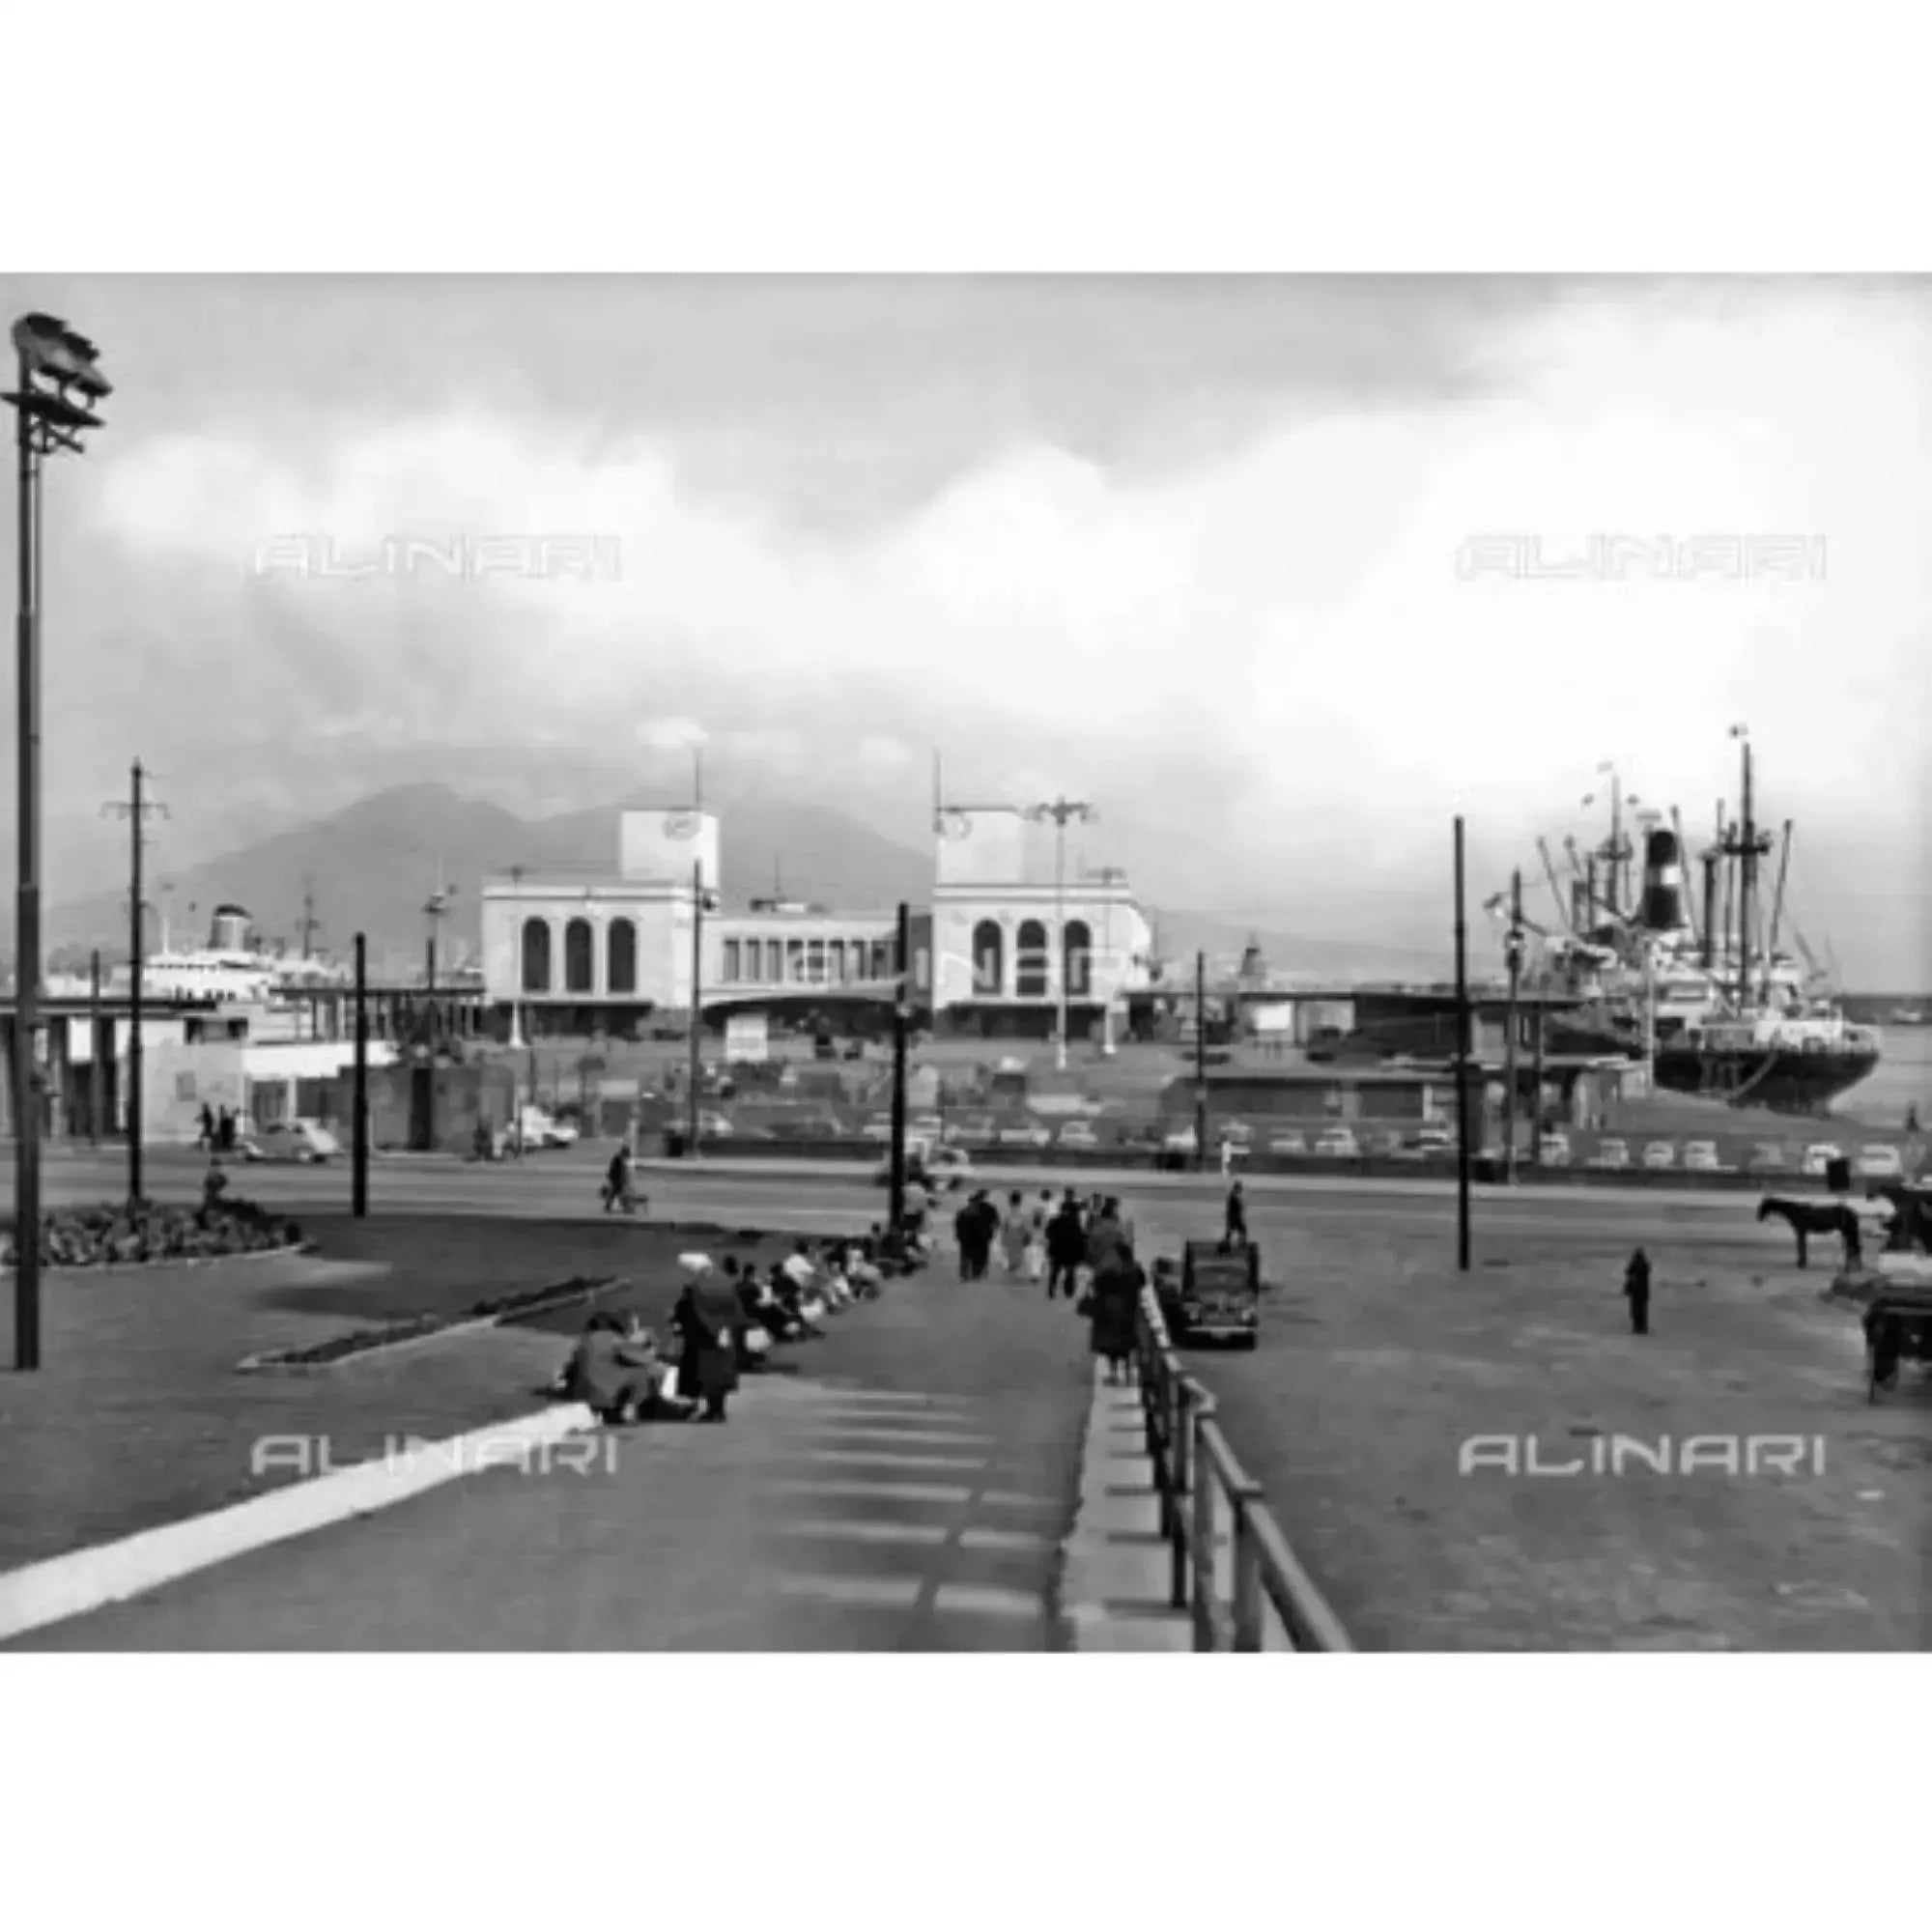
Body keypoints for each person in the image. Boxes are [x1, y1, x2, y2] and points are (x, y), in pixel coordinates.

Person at [671, 1256, 742, 1422]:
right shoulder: (723, 1285)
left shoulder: (700, 1291)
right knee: (721, 1375)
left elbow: (698, 1316)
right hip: (723, 1333)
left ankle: (713, 1411)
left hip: (708, 1338)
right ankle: (718, 1410)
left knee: (711, 1375)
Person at [1088, 1240, 1145, 1384]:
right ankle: (1126, 1375)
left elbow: (1098, 1285)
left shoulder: (1110, 1270)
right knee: (1126, 1345)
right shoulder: (1134, 1271)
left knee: (1111, 1346)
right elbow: (1142, 1283)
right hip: (1129, 1312)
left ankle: (1114, 1374)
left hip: (1110, 1312)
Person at [1046, 1194, 1086, 1300]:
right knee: (1070, 1272)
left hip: (1057, 1251)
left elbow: (1049, 1234)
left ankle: (1052, 1291)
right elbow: (1080, 1240)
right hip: (1070, 1254)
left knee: (1055, 1272)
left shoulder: (1055, 1221)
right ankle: (1069, 1292)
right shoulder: (1075, 1224)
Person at [601, 1144, 639, 1215]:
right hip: (616, 1179)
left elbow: (618, 1171)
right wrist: (623, 1180)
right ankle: (626, 1207)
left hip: (615, 1179)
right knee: (618, 1192)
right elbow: (620, 1172)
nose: (627, 1157)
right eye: (626, 1154)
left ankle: (625, 1207)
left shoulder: (618, 1159)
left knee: (618, 1193)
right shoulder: (619, 1160)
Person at [1000, 1191, 1031, 1275]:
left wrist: (1003, 1241)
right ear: (1020, 1201)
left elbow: (1004, 1229)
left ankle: (1012, 1270)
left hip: (1010, 1237)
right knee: (1018, 1257)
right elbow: (1025, 1228)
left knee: (1011, 1256)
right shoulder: (1022, 1214)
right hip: (1019, 1238)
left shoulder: (1006, 1214)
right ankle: (1015, 1271)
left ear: (1010, 1201)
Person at [1623, 1247, 1652, 1336]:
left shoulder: (1636, 1265)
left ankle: (1637, 1328)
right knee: (1642, 1312)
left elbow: (1628, 1272)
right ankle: (1642, 1328)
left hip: (1636, 1293)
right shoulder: (1645, 1265)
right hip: (1643, 1293)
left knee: (1636, 1312)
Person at [1225, 1181, 1248, 1250]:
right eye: (1240, 1188)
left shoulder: (1234, 1195)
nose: (1241, 1190)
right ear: (1237, 1188)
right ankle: (1240, 1244)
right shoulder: (1233, 1196)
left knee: (1232, 1231)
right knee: (1242, 1230)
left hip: (1233, 1217)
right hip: (1234, 1218)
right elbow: (1235, 1207)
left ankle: (1233, 1244)